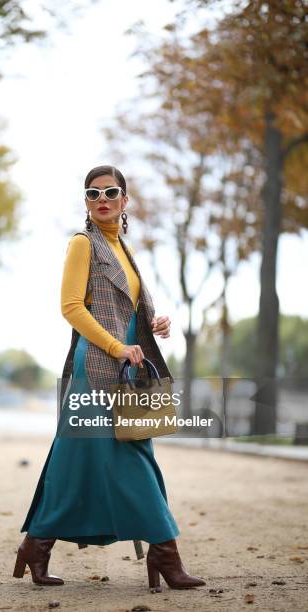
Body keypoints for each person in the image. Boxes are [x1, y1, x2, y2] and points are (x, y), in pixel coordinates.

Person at [12, 165, 206, 592]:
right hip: (97, 367)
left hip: (125, 368)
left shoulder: (123, 248)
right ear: (86, 202)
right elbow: (71, 307)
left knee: (76, 458)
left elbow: (120, 309)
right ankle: (165, 554)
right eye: (93, 193)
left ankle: (36, 546)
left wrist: (151, 321)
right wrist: (117, 346)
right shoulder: (84, 244)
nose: (102, 198)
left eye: (111, 191)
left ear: (125, 200)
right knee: (131, 455)